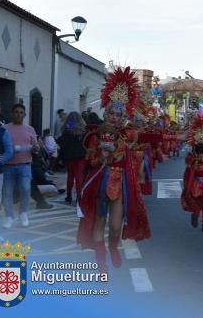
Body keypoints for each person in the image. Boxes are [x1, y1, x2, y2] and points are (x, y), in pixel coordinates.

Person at [77, 67, 151, 273]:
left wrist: (175, 138)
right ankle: (101, 263)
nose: (114, 117)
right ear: (106, 113)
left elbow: (148, 137)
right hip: (99, 182)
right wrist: (102, 155)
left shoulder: (127, 135)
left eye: (119, 114)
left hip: (120, 184)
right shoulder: (94, 135)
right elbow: (90, 161)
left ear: (122, 116)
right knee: (99, 223)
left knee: (116, 226)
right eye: (111, 113)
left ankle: (113, 248)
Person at [2, 104, 40, 228]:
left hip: (25, 165)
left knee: (25, 189)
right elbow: (1, 146)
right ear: (12, 114)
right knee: (7, 192)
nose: (18, 114)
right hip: (8, 165)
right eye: (16, 112)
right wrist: (9, 149)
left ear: (24, 114)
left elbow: (36, 148)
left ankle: (23, 213)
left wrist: (35, 148)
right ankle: (9, 216)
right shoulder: (4, 128)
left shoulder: (30, 129)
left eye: (21, 112)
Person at [57, 112, 87, 204]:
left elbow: (63, 142)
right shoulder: (83, 128)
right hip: (81, 156)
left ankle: (69, 196)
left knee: (70, 176)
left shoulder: (69, 127)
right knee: (79, 177)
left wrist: (60, 157)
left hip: (70, 156)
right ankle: (79, 197)